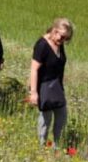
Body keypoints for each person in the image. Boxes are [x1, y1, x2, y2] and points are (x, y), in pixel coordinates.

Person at [29, 18, 75, 147]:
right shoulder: (42, 45)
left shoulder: (59, 44)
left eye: (66, 38)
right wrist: (33, 92)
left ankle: (57, 145)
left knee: (62, 116)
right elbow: (34, 69)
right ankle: (41, 145)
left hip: (56, 86)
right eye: (62, 37)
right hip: (44, 86)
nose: (63, 41)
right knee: (46, 118)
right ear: (54, 31)